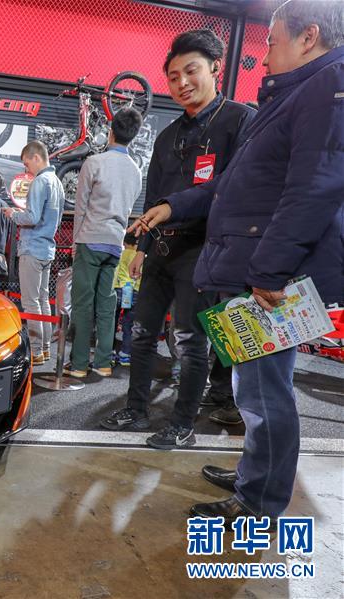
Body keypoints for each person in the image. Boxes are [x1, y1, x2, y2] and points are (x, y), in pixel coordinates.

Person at [131, 0, 343, 522]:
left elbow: (314, 188)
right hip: (255, 267)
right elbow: (232, 184)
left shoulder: (326, 88)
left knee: (265, 395)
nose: (263, 55)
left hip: (268, 277)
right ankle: (256, 474)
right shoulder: (291, 97)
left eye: (271, 41)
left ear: (309, 36)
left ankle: (259, 501)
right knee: (254, 390)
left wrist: (268, 271)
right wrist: (173, 205)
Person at [99, 29, 255, 450]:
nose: (182, 82)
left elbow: (232, 186)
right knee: (140, 333)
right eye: (173, 76)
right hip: (161, 250)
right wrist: (141, 250)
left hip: (204, 250)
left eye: (191, 71)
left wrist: (173, 207)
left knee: (189, 341)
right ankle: (135, 409)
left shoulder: (240, 120)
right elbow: (154, 196)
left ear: (215, 69)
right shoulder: (168, 135)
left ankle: (182, 423)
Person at [67, 107, 143, 378]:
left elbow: (81, 207)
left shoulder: (94, 162)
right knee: (107, 306)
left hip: (90, 239)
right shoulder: (135, 170)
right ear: (133, 135)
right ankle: (102, 363)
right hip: (115, 243)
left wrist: (76, 242)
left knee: (83, 305)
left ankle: (78, 365)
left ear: (110, 132)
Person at [3, 140, 65, 364]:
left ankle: (36, 351)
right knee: (42, 301)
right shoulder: (57, 182)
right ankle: (45, 349)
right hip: (47, 248)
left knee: (31, 303)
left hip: (32, 248)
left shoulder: (40, 181)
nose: (26, 169)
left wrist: (13, 214)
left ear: (36, 157)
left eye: (26, 163)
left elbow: (32, 217)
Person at [111, 232, 142, 366]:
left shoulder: (121, 254)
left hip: (119, 289)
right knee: (128, 324)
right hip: (133, 290)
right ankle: (125, 354)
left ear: (124, 242)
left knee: (112, 322)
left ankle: (110, 352)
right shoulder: (139, 256)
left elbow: (115, 272)